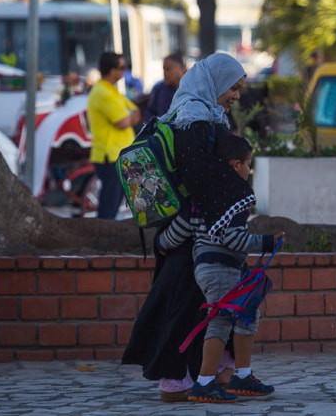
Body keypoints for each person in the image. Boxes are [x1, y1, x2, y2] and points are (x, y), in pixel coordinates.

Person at [121, 53, 263, 402]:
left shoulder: (199, 115)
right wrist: (237, 198)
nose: (236, 96)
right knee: (185, 306)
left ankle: (211, 373)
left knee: (205, 306)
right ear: (215, 83)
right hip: (193, 235)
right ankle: (178, 380)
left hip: (195, 232)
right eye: (232, 87)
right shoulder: (195, 120)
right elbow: (200, 178)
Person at [157, 131, 285, 404]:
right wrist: (267, 242)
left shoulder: (200, 195)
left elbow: (180, 230)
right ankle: (205, 382)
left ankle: (242, 375)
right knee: (221, 321)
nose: (249, 171)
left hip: (211, 268)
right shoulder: (236, 195)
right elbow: (232, 238)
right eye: (248, 164)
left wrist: (161, 244)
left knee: (248, 315)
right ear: (235, 165)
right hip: (220, 268)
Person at [86, 52, 140, 219]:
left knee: (113, 203)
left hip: (118, 154)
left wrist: (132, 116)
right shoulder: (104, 93)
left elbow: (136, 110)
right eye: (122, 67)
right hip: (110, 155)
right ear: (111, 70)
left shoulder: (111, 91)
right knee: (109, 206)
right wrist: (131, 116)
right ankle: (102, 234)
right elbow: (123, 121)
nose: (125, 71)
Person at [143, 52, 187, 123]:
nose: (164, 73)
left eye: (168, 69)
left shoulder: (193, 90)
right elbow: (150, 113)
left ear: (181, 70)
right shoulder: (159, 89)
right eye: (163, 69)